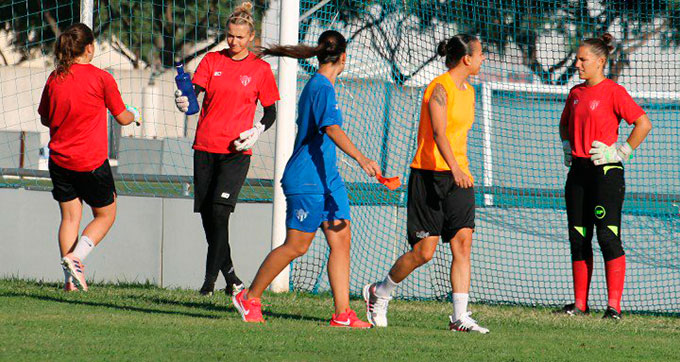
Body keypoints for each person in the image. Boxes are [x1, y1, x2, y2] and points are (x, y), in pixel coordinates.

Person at [232, 30, 380, 328]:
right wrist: (363, 159)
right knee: (298, 246)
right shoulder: (321, 87)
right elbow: (332, 130)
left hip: (329, 179)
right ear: (343, 57)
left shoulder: (323, 86)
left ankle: (342, 314)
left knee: (341, 240)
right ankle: (249, 296)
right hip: (307, 179)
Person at [363, 34, 489, 333]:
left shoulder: (470, 92)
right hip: (429, 175)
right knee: (424, 252)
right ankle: (379, 292)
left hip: (460, 178)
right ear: (466, 59)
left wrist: (460, 170)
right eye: (481, 54)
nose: (484, 59)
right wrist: (454, 167)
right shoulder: (438, 88)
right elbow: (439, 132)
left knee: (463, 243)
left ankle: (459, 317)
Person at [174, 2, 280, 297]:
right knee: (209, 218)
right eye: (230, 35)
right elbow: (192, 95)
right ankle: (231, 277)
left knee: (220, 214)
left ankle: (209, 282)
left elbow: (270, 112)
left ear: (251, 37)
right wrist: (182, 100)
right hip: (205, 148)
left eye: (240, 37)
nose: (234, 42)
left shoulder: (260, 70)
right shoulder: (212, 61)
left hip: (235, 152)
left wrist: (257, 130)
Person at [38, 23, 142, 292]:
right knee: (106, 215)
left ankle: (69, 284)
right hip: (90, 162)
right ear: (89, 48)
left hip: (59, 159)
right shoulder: (101, 78)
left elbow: (45, 117)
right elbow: (122, 116)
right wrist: (135, 114)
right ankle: (77, 258)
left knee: (70, 218)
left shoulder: (54, 78)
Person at [556, 33, 652, 319]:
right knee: (578, 236)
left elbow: (643, 124)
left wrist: (622, 152)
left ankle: (614, 307)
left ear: (600, 62)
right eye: (577, 59)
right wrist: (566, 146)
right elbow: (564, 125)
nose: (577, 64)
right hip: (578, 173)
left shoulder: (614, 91)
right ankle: (579, 306)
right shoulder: (575, 93)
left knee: (607, 237)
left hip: (606, 173)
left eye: (583, 59)